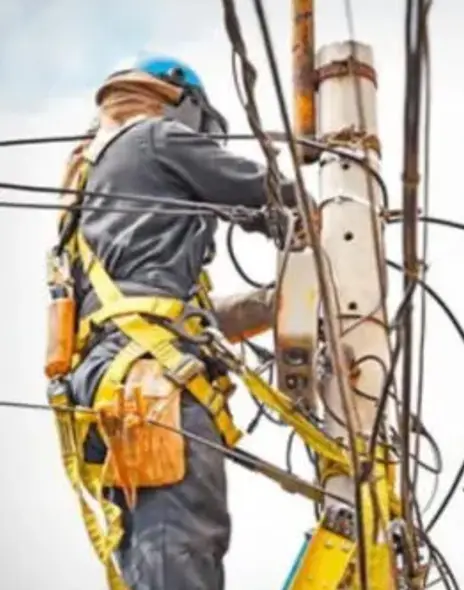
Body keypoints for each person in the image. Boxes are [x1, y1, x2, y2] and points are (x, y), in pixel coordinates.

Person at [51, 55, 297, 590]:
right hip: (149, 382)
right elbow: (276, 199)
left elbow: (161, 309)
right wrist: (347, 220)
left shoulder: (88, 186)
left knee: (151, 554)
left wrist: (271, 303)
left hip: (106, 383)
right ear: (182, 106)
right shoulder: (155, 136)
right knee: (179, 545)